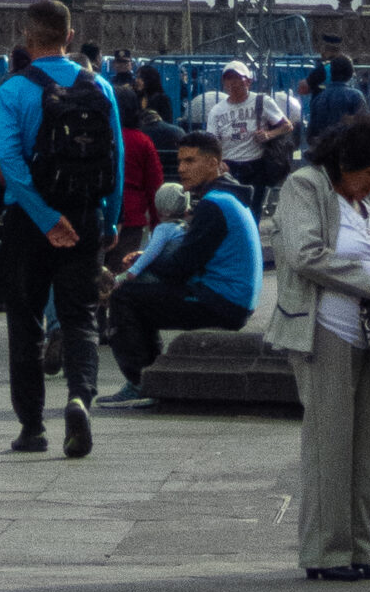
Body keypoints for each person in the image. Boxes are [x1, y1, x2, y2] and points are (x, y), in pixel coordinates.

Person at [267, 117, 370, 581]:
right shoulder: (305, 186)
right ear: (345, 162)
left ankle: (361, 548)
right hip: (323, 330)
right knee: (329, 444)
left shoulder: (366, 197)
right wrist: (368, 286)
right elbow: (306, 254)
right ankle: (325, 552)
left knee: (367, 445)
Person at [0, 0, 121, 460]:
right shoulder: (100, 87)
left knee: (25, 322)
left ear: (27, 38)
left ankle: (31, 428)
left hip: (30, 219)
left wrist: (47, 220)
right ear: (69, 36)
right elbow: (116, 158)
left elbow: (8, 161)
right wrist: (109, 216)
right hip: (86, 213)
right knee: (81, 316)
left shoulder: (11, 91)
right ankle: (79, 399)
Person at [103, 130, 262, 408]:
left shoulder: (214, 205)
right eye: (180, 162)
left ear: (213, 163)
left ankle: (141, 381)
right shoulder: (229, 196)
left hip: (222, 301)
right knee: (143, 294)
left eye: (190, 161)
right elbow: (190, 254)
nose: (181, 169)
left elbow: (179, 268)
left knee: (124, 296)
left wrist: (146, 264)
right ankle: (154, 376)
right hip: (231, 297)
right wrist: (148, 257)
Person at [206, 63, 292, 219]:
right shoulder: (217, 111)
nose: (233, 83)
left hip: (255, 165)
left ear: (248, 81)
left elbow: (287, 126)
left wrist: (269, 134)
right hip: (228, 166)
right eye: (228, 79)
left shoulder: (261, 101)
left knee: (253, 211)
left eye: (238, 78)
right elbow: (211, 142)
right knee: (230, 212)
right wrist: (218, 161)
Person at [113, 84, 164, 267]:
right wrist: (158, 225)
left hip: (98, 215)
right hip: (132, 217)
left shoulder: (102, 136)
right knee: (121, 274)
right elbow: (154, 186)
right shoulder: (142, 141)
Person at [306, 54, 368, 146]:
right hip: (348, 150)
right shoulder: (356, 96)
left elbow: (311, 133)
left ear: (331, 73)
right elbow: (364, 126)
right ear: (351, 73)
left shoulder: (318, 98)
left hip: (324, 151)